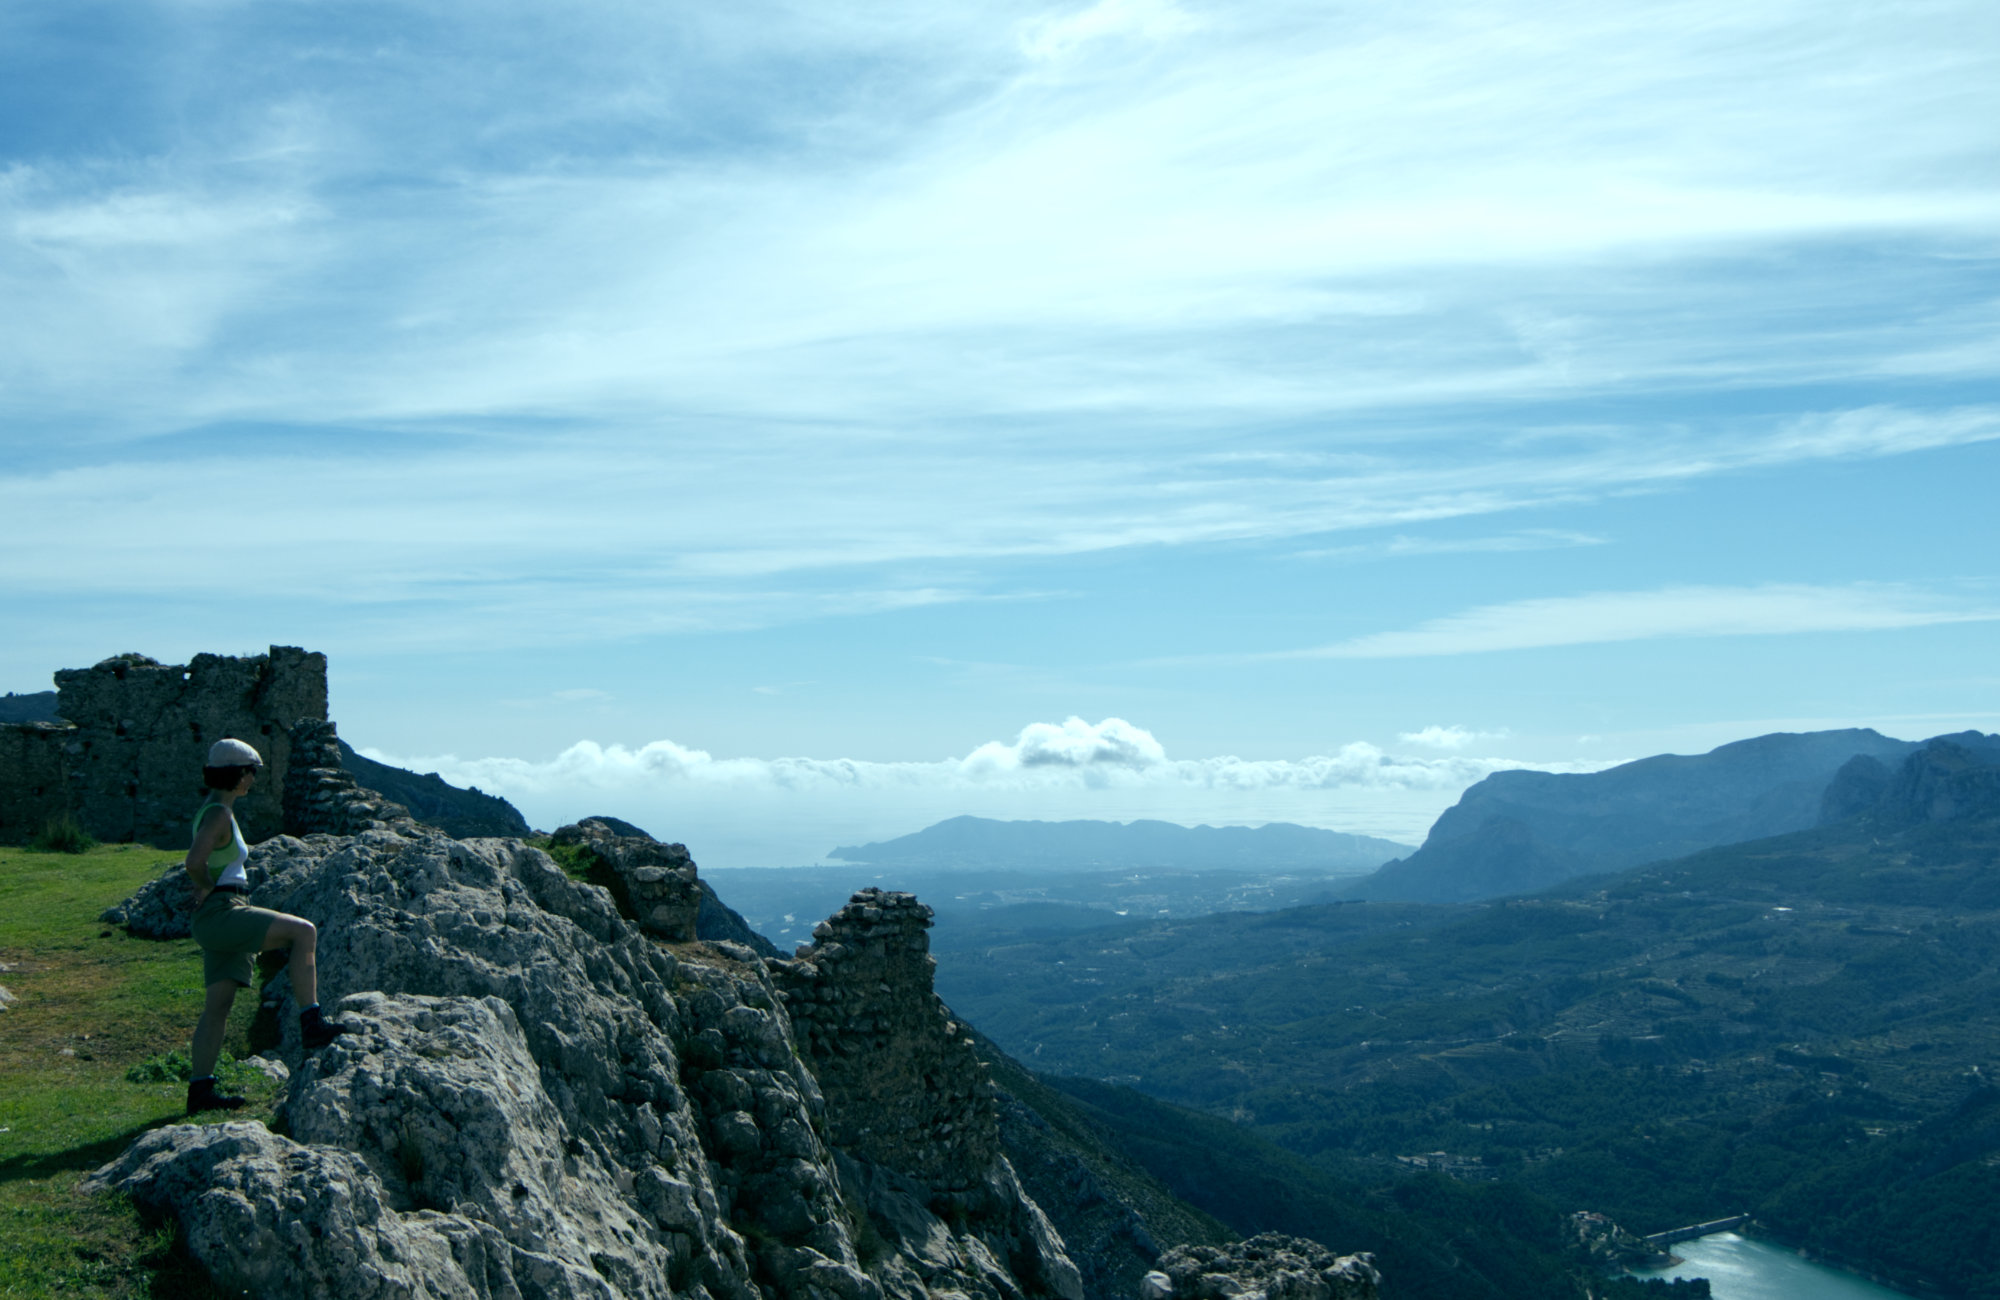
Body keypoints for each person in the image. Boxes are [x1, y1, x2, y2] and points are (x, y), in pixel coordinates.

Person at [183, 737, 348, 1114]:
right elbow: (194, 861)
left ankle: (200, 1091)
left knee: (218, 1006)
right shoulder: (218, 814)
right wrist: (207, 887)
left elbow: (203, 861)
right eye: (250, 772)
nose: (253, 779)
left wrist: (204, 885)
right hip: (224, 909)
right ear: (236, 774)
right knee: (303, 931)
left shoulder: (213, 810)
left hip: (220, 911)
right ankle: (311, 1021)